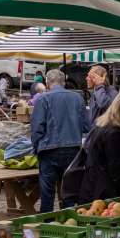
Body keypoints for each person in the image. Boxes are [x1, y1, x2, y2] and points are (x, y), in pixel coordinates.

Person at [30, 69, 89, 212]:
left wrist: (36, 148)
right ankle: (68, 224)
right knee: (69, 194)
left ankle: (47, 226)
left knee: (47, 195)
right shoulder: (78, 98)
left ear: (47, 83)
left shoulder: (43, 99)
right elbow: (86, 126)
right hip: (73, 150)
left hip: (49, 150)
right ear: (64, 82)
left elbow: (37, 129)